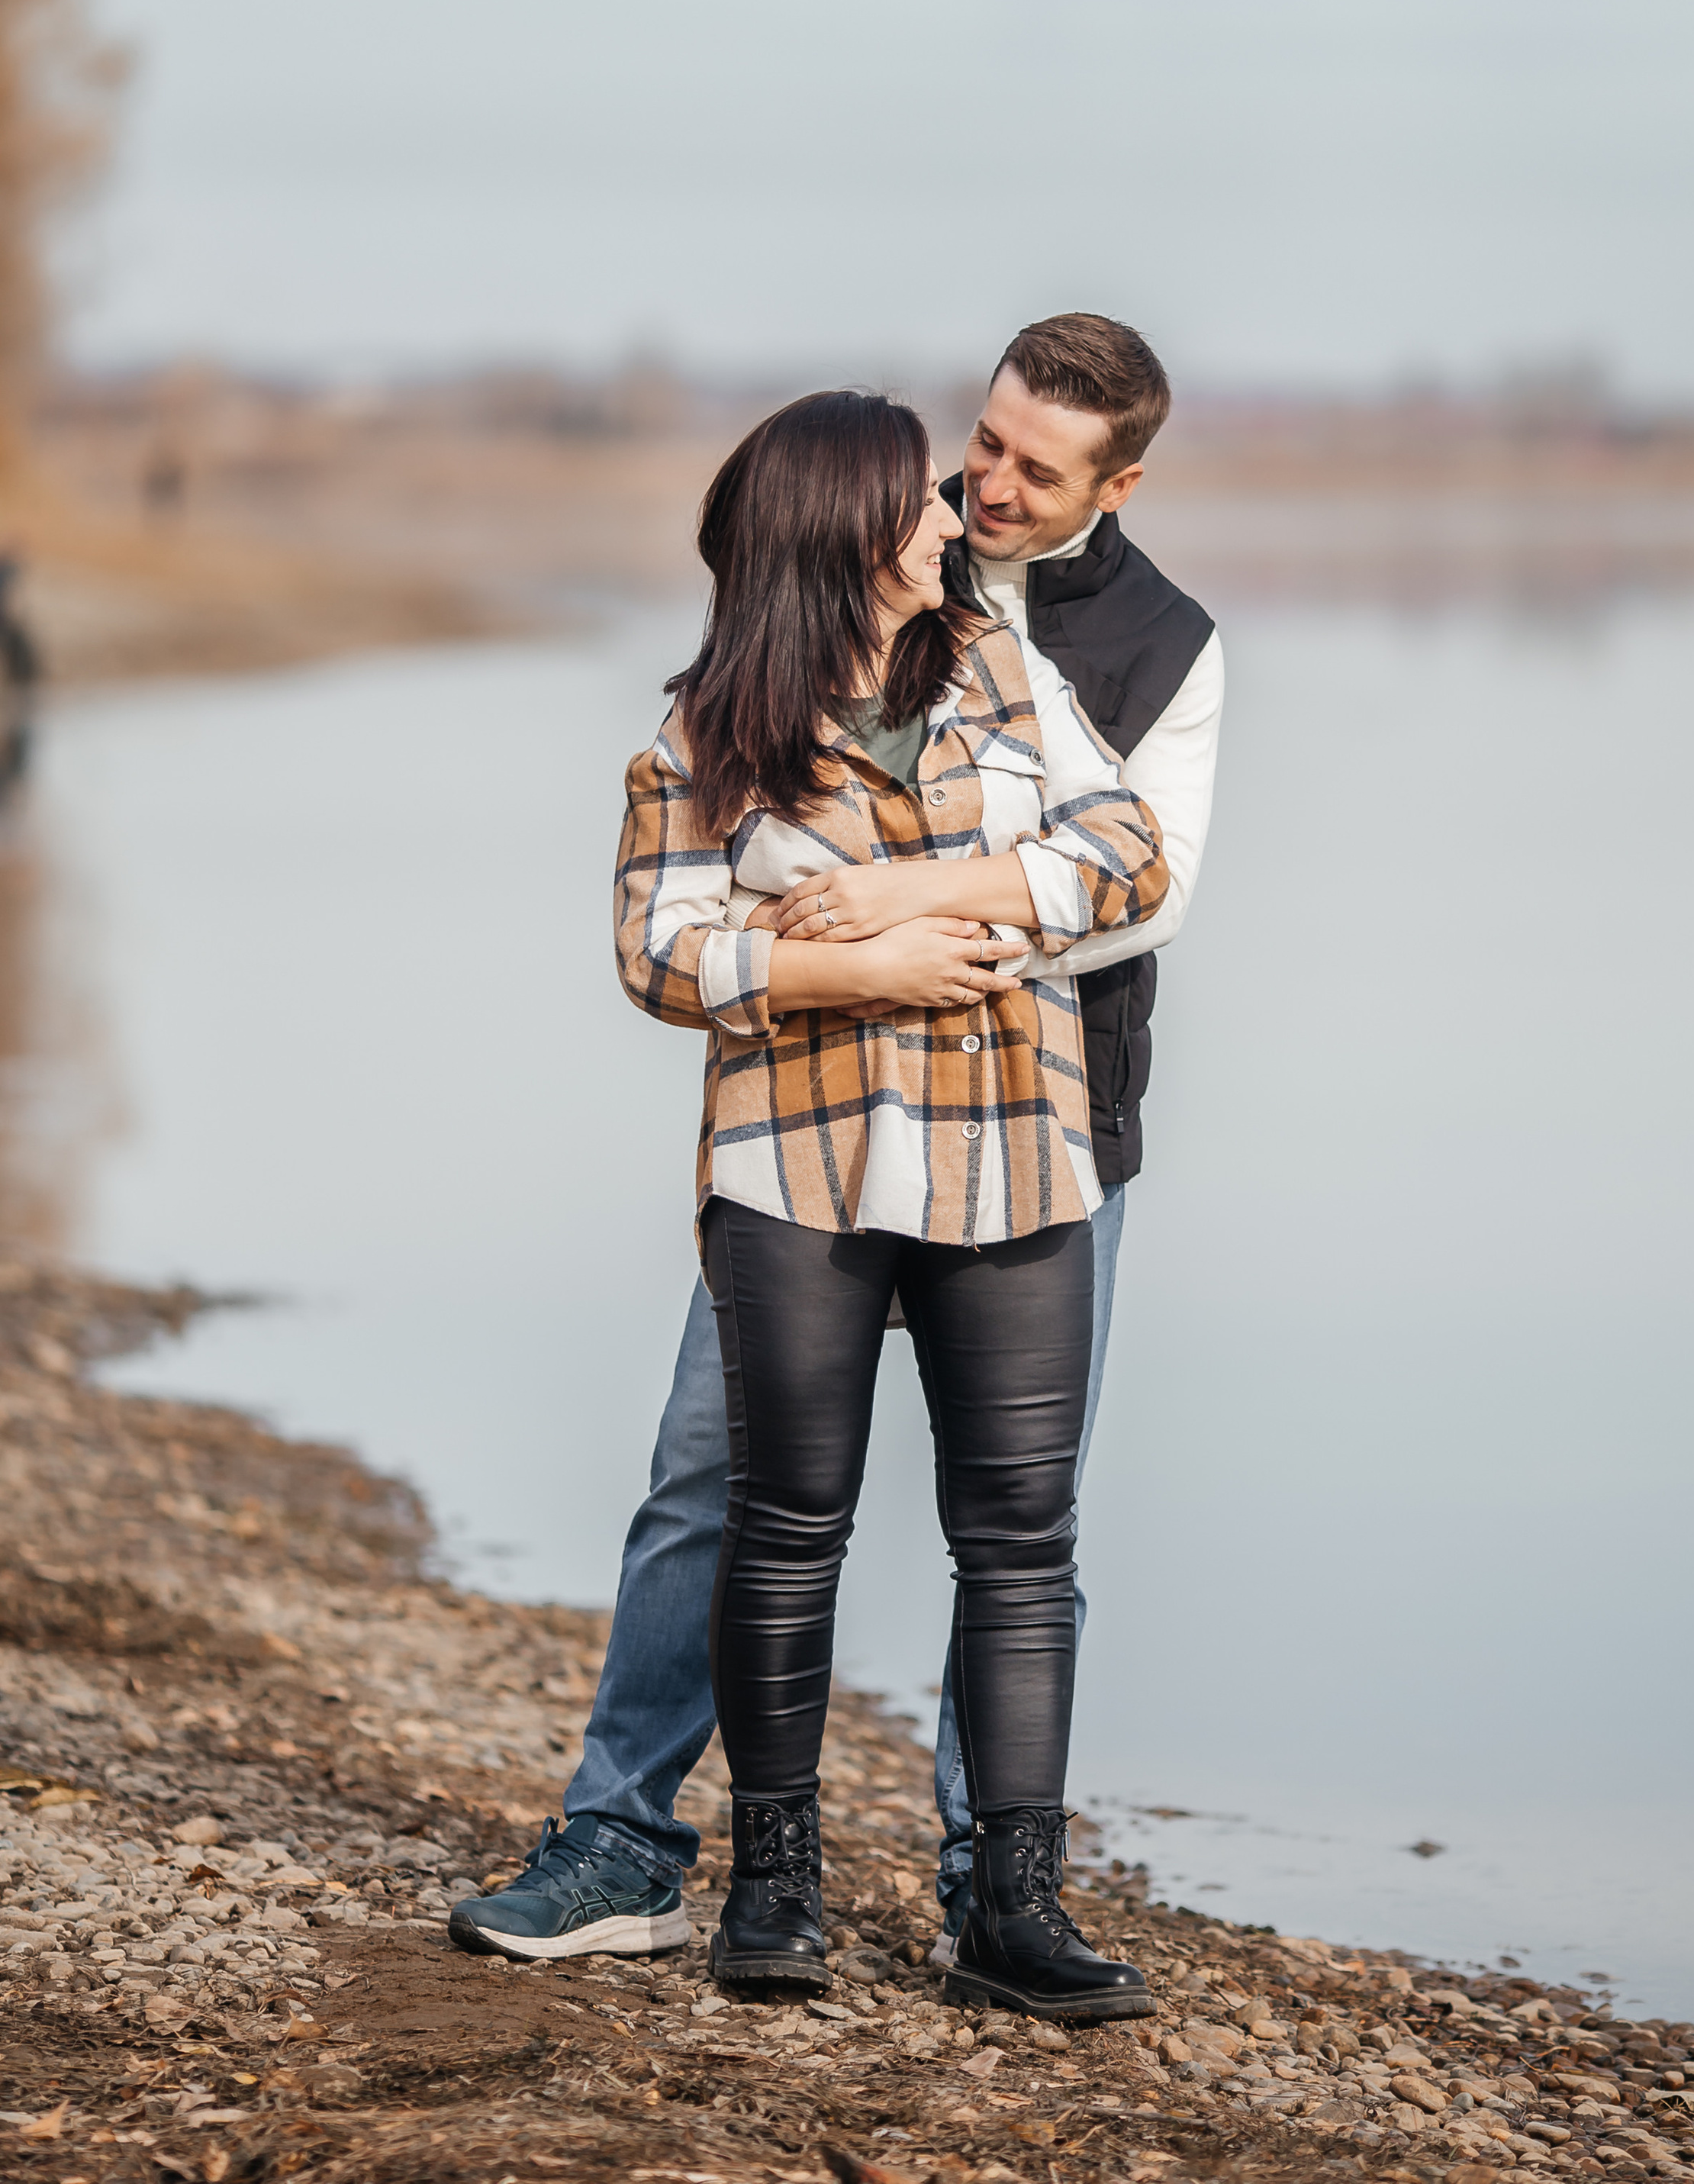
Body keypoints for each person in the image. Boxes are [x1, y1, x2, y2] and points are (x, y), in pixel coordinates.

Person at [451, 317, 1222, 1969]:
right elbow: (660, 951)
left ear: (1115, 481)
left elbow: (1135, 867)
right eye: (968, 458)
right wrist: (843, 965)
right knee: (730, 1495)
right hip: (794, 1164)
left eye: (1025, 469)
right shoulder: (710, 728)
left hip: (1024, 1140)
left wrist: (912, 899)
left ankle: (996, 1892)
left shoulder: (1101, 658)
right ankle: (655, 1850)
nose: (974, 494)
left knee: (1020, 1532)